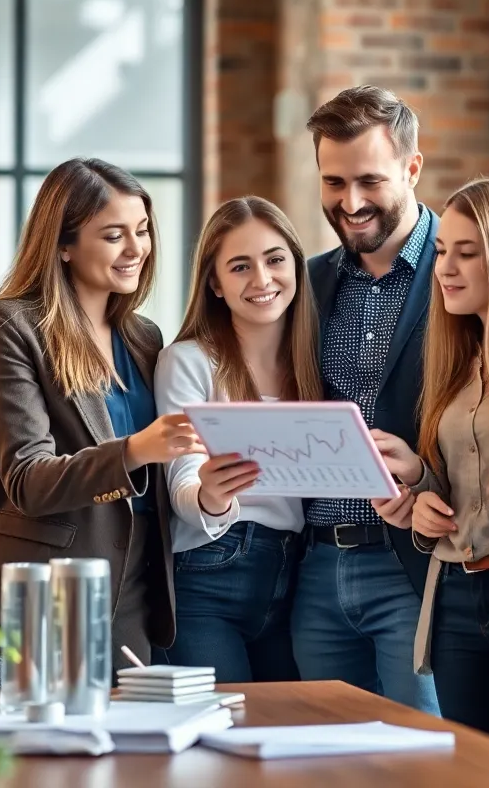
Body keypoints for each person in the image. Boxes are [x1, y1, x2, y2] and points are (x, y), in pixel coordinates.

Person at [0, 158, 203, 669]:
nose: (136, 250)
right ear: (63, 245)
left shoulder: (143, 336)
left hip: (133, 584)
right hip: (40, 585)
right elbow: (28, 480)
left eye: (143, 231)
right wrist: (135, 450)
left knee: (130, 745)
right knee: (35, 746)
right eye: (113, 236)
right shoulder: (11, 327)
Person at [290, 84, 440, 714]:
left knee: (424, 761)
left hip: (419, 566)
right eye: (333, 183)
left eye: (369, 181)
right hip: (316, 566)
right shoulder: (307, 283)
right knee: (321, 765)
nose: (349, 203)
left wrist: (427, 472)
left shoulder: (459, 270)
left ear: (411, 167)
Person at [374, 178, 489, 742]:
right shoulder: (454, 365)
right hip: (453, 596)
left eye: (467, 254)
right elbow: (451, 490)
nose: (445, 268)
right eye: (442, 250)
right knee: (473, 769)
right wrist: (419, 493)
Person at [154, 196, 321, 682]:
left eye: (275, 260)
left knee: (280, 743)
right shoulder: (188, 361)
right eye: (240, 267)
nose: (262, 280)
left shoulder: (314, 363)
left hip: (296, 580)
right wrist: (208, 495)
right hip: (209, 577)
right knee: (217, 742)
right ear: (215, 283)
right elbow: (180, 478)